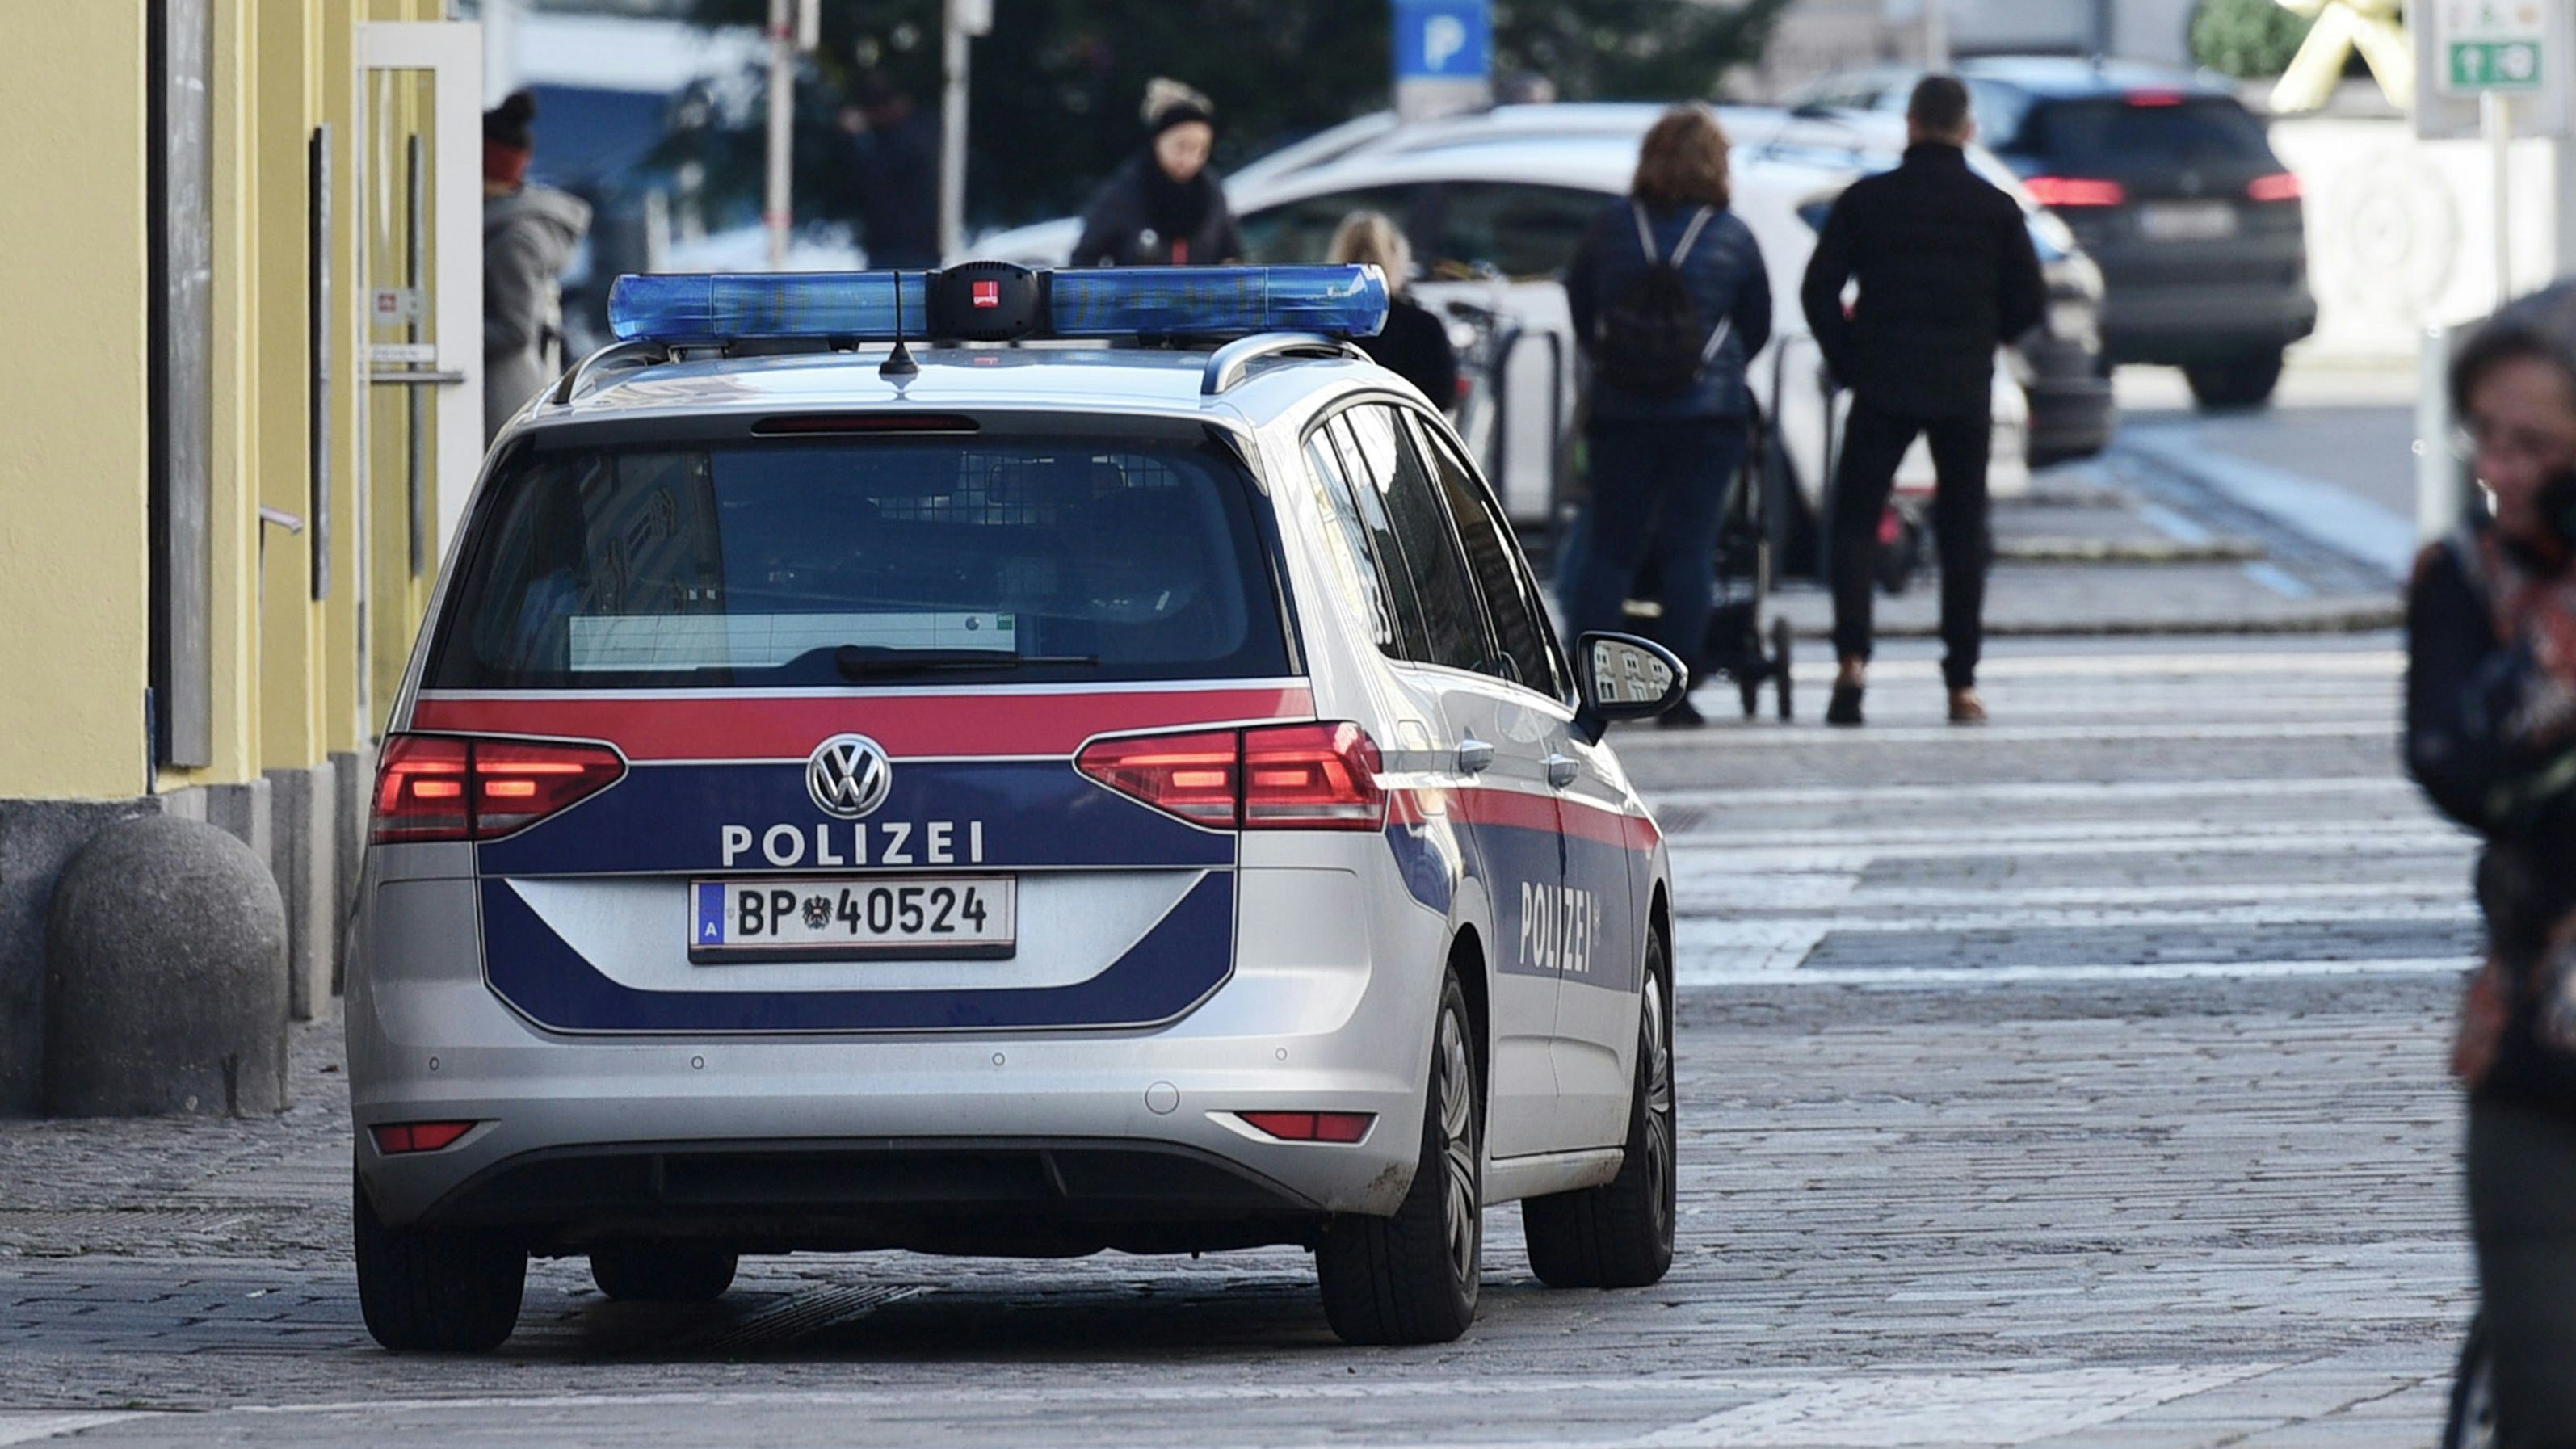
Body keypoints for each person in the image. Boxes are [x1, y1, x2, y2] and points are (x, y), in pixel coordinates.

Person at [2409, 281, 2576, 1449]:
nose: (2502, 471)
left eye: (2537, 445)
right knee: (2546, 1384)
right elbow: (2454, 761)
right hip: (2536, 1041)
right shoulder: (2466, 581)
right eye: (2487, 438)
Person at [1800, 74, 2043, 728]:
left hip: (1881, 380)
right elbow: (2029, 302)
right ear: (1968, 130)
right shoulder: (1994, 208)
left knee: (1853, 520)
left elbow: (1818, 290)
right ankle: (1961, 681)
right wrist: (1984, 339)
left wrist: (1850, 358)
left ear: (1909, 125)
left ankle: (1852, 660)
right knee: (1963, 530)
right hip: (1962, 386)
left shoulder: (1867, 200)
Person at [1561, 103, 1771, 728]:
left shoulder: (1611, 227)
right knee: (1690, 550)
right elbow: (1754, 323)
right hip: (1707, 417)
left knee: (1610, 548)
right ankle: (1676, 691)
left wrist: (1616, 363)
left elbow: (1580, 305)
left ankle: (1594, 688)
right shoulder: (1731, 235)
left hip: (1621, 411)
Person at [481, 90, 590, 443]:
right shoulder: (506, 226)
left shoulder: (513, 239)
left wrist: (449, 337)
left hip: (497, 399)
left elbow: (515, 329)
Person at [1071, 78, 1244, 268]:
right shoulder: (1125, 191)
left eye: (1200, 149)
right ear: (1158, 142)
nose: (1189, 159)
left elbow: (1231, 253)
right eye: (1181, 147)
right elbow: (1085, 259)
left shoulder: (1211, 191)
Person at [1328, 211, 1459, 414]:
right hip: (1398, 442)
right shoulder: (1422, 327)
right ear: (1397, 258)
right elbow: (1441, 399)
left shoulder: (1319, 326)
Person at [842, 74, 940, 270]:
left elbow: (878, 178)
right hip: (892, 244)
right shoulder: (909, 131)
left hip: (909, 246)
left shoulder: (911, 135)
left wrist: (861, 138)